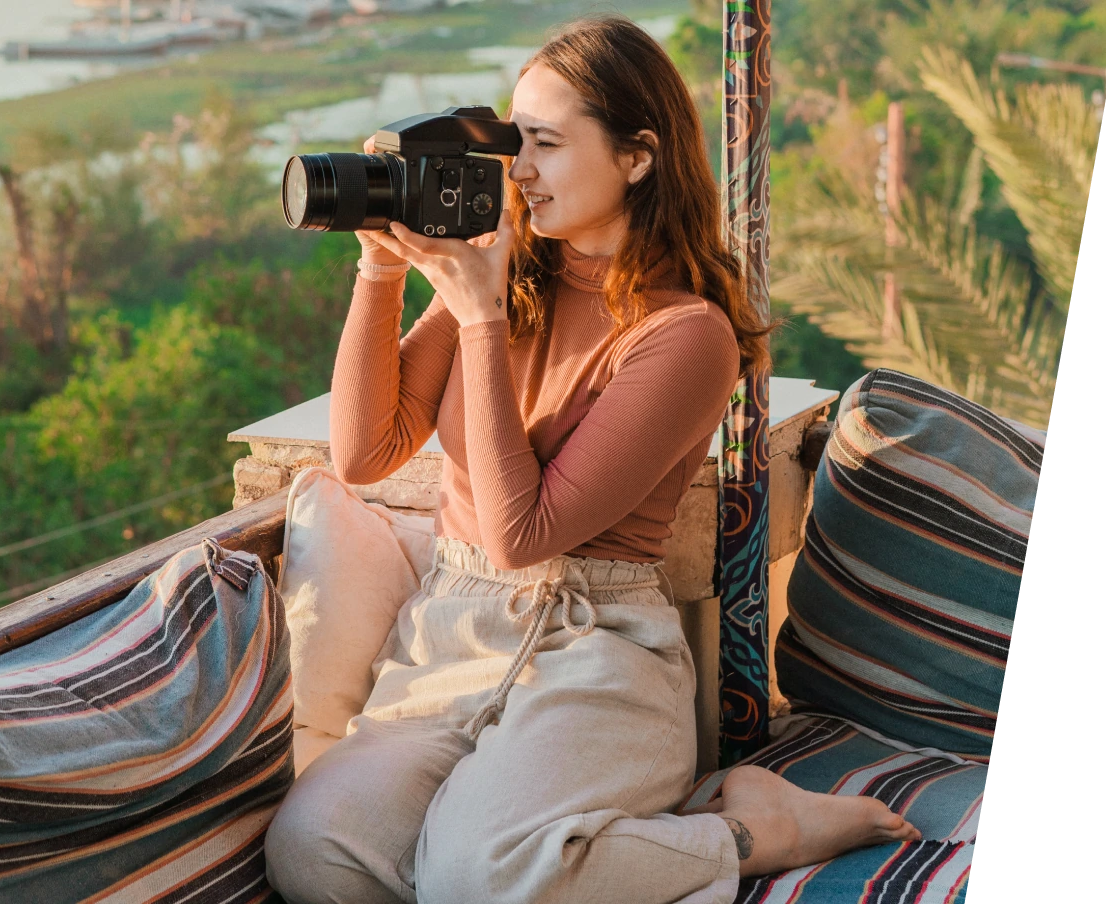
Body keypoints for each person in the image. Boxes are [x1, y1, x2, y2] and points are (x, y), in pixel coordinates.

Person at [265, 15, 920, 904]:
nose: (518, 170)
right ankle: (538, 841)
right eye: (512, 141)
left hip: (596, 651)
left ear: (637, 156)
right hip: (453, 633)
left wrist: (481, 321)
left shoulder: (686, 335)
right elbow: (366, 451)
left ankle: (750, 831)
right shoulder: (510, 276)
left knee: (469, 876)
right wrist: (382, 268)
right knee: (315, 853)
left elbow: (523, 535)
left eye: (544, 143)